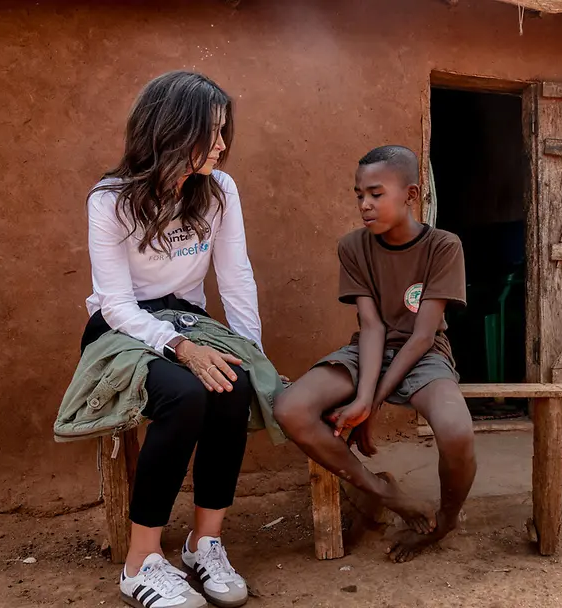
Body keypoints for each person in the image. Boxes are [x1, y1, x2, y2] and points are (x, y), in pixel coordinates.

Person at [80, 71, 263, 608]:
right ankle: (141, 562)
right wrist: (180, 349)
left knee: (234, 386)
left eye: (225, 130)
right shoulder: (110, 200)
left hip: (187, 318)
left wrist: (249, 351)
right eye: (211, 132)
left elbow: (236, 278)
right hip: (122, 328)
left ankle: (205, 543)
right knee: (184, 398)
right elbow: (114, 304)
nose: (223, 145)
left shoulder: (220, 191)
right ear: (171, 130)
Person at [273, 145, 476, 563]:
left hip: (424, 355)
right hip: (367, 351)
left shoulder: (443, 246)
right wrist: (362, 397)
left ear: (411, 195)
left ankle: (446, 520)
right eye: (358, 195)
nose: (364, 204)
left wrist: (373, 403)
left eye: (376, 194)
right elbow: (372, 327)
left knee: (457, 432)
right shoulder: (353, 247)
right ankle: (385, 493)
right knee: (291, 408)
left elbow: (421, 336)